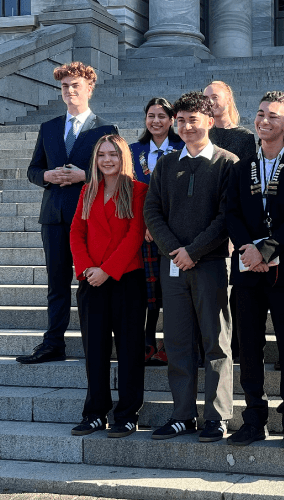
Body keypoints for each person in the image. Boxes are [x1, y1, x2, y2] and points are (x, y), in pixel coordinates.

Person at [143, 92, 238, 443]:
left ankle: (217, 416)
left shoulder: (228, 163)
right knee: (179, 343)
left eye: (192, 120)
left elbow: (227, 216)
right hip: (173, 268)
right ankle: (182, 415)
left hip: (212, 265)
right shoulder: (166, 164)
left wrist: (194, 251)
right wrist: (174, 251)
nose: (184, 126)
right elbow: (152, 211)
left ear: (209, 121)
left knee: (216, 344)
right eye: (179, 120)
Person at [225, 91, 284, 448]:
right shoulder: (239, 168)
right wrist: (249, 250)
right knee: (249, 346)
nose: (263, 121)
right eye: (260, 114)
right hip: (247, 271)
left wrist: (266, 249)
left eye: (273, 116)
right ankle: (253, 417)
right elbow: (230, 213)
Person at [21, 61, 118, 365]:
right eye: (64, 86)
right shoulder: (48, 128)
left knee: (92, 282)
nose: (69, 90)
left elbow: (116, 173)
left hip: (90, 218)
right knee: (57, 283)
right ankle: (53, 343)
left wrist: (85, 177)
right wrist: (46, 176)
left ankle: (97, 342)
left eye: (75, 85)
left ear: (90, 88)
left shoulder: (106, 129)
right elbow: (32, 169)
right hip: (53, 216)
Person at [69, 134, 148, 438]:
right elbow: (76, 232)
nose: (107, 160)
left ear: (123, 157)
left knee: (129, 350)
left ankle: (127, 415)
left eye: (113, 154)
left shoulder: (138, 190)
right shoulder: (88, 191)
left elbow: (135, 234)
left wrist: (107, 270)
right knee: (95, 350)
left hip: (125, 279)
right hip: (91, 280)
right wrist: (88, 268)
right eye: (101, 155)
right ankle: (95, 412)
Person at [129, 97, 185, 366]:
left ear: (172, 119)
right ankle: (147, 340)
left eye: (162, 116)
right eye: (151, 115)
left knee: (170, 289)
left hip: (174, 232)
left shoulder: (183, 147)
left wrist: (160, 226)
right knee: (148, 290)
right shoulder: (132, 150)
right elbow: (127, 193)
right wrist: (145, 225)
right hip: (142, 232)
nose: (156, 121)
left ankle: (169, 342)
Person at [204, 80, 257, 362]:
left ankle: (235, 345)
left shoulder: (245, 137)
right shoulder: (199, 134)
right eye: (206, 97)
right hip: (204, 221)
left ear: (229, 99)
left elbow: (247, 182)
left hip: (234, 221)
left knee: (234, 289)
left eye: (215, 96)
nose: (210, 100)